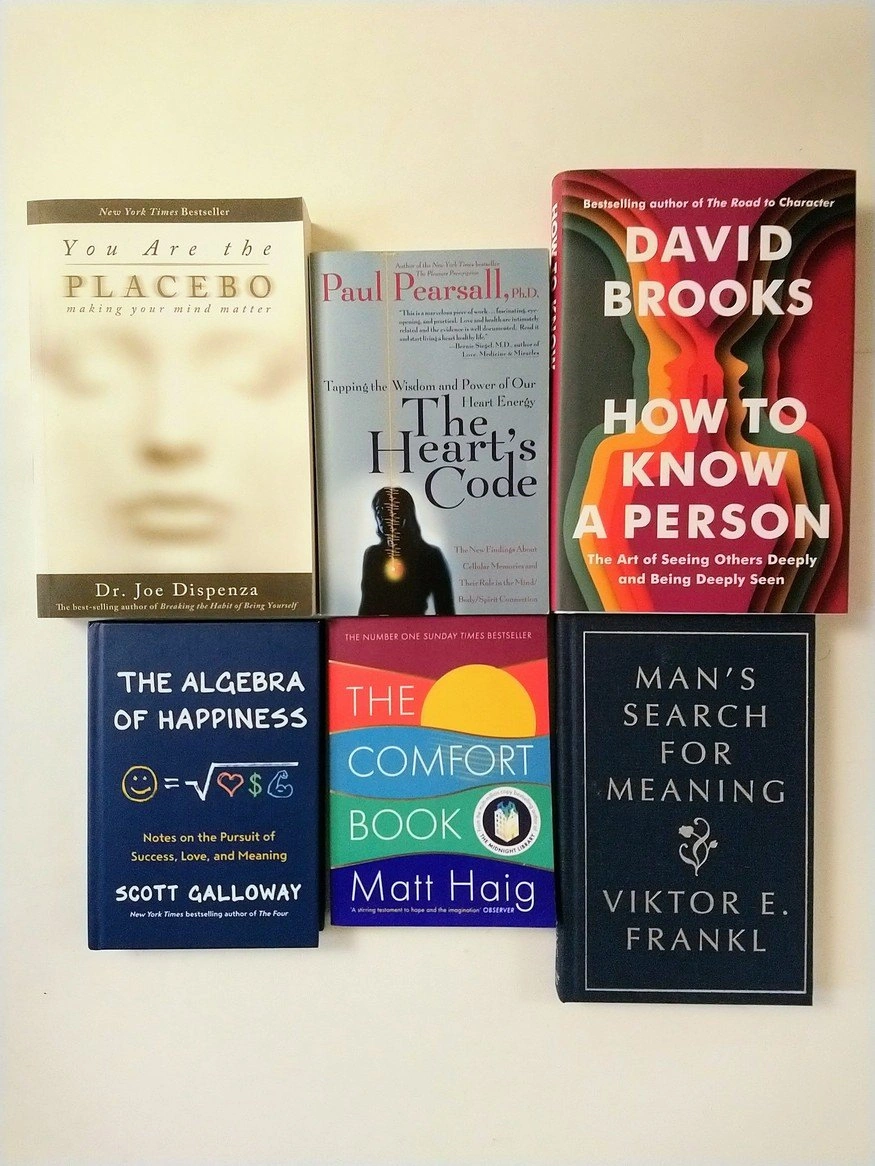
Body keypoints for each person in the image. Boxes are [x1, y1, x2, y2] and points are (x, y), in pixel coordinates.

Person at [358, 486, 455, 615]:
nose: (383, 516)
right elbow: (366, 609)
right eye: (379, 510)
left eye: (391, 509)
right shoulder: (373, 555)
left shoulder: (430, 555)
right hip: (381, 628)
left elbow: (446, 611)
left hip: (416, 626)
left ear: (406, 513)